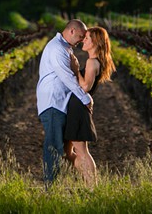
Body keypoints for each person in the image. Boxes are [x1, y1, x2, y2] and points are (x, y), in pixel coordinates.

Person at [36, 18, 92, 186]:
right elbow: (66, 77)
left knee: (62, 149)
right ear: (71, 31)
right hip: (53, 103)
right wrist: (84, 97)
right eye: (81, 36)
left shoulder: (65, 47)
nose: (82, 40)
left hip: (60, 103)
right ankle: (50, 188)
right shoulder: (57, 48)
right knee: (53, 146)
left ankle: (58, 184)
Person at [63, 26, 115, 187]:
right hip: (75, 108)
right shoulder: (95, 61)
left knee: (82, 152)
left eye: (87, 38)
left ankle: (92, 187)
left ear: (96, 42)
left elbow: (85, 87)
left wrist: (76, 69)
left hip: (78, 109)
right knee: (67, 152)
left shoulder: (92, 62)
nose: (83, 40)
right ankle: (86, 182)